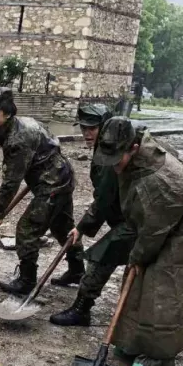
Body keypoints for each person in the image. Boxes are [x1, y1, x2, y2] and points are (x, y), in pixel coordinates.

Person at [93, 118, 183, 366]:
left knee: (164, 285)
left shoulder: (159, 180)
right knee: (137, 279)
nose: (114, 165)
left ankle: (160, 357)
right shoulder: (134, 160)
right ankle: (133, 339)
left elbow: (154, 231)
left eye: (117, 159)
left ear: (134, 148)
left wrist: (138, 256)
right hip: (158, 223)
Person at [0, 87, 84, 296]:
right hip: (61, 176)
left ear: (7, 113)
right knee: (63, 227)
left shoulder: (18, 138)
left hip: (53, 184)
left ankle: (27, 280)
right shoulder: (21, 123)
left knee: (27, 229)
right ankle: (77, 271)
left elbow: (11, 181)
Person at [50, 104, 136, 327]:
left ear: (105, 128)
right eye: (83, 128)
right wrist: (82, 227)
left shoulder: (110, 156)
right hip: (128, 217)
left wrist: (82, 226)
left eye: (92, 128)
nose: (86, 133)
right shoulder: (107, 150)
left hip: (137, 220)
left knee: (101, 257)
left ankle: (82, 310)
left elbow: (105, 199)